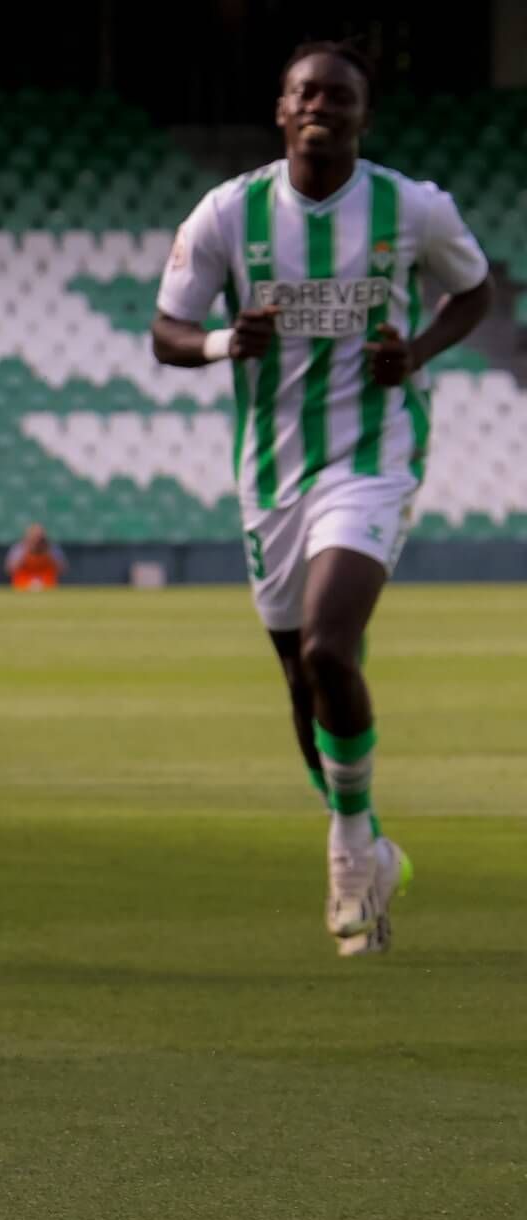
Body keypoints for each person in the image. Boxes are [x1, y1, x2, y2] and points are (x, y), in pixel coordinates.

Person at [151, 39, 492, 956]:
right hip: (271, 472)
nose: (320, 107)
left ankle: (347, 849)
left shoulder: (412, 208)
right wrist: (229, 343)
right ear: (281, 108)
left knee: (331, 648)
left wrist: (414, 354)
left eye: (338, 96)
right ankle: (370, 836)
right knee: (302, 680)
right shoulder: (231, 211)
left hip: (374, 458)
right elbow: (167, 331)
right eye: (305, 93)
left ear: (361, 115)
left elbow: (476, 289)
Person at [4, 523, 67, 591]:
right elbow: (10, 569)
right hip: (22, 586)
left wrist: (47, 552)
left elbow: (62, 569)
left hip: (48, 586)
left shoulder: (52, 548)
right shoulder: (19, 548)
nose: (36, 540)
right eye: (34, 537)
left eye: (39, 537)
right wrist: (27, 551)